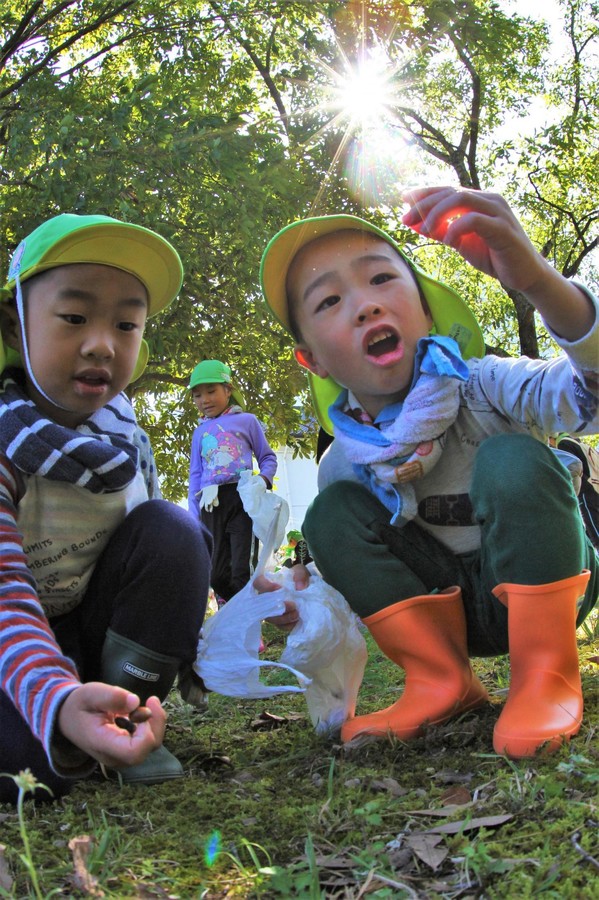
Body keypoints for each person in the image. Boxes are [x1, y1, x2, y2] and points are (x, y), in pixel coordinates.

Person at [259, 185, 598, 759]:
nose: (365, 304)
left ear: (423, 306)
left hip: (546, 584)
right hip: (447, 609)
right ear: (312, 359)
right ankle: (442, 682)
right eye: (328, 302)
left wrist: (538, 280)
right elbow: (352, 567)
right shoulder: (344, 460)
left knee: (510, 458)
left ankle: (547, 673)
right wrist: (303, 597)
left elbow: (588, 396)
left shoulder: (485, 384)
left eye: (381, 279)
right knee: (331, 515)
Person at [0, 213, 212, 804]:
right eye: (73, 318)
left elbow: (151, 556)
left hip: (84, 631)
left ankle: (124, 715)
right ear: (14, 327)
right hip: (10, 640)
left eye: (126, 323)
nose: (102, 343)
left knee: (174, 528)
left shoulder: (124, 439)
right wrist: (57, 700)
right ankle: (71, 723)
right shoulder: (4, 444)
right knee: (31, 771)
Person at [188, 359, 277, 604]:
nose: (204, 399)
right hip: (210, 503)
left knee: (241, 569)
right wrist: (193, 516)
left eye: (211, 391)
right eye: (197, 395)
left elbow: (268, 457)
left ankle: (247, 631)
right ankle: (239, 611)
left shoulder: (247, 421)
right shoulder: (199, 433)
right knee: (215, 573)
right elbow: (195, 475)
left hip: (242, 499)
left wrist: (263, 480)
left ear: (228, 390)